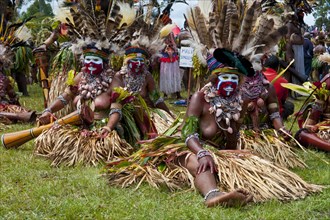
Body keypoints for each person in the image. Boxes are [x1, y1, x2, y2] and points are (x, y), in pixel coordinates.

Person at [295, 73, 330, 152]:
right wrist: (310, 127)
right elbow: (318, 106)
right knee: (303, 135)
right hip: (326, 127)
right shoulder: (328, 81)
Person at [262, 55, 294, 120]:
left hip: (259, 111)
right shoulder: (283, 81)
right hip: (274, 113)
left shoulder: (255, 78)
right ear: (278, 67)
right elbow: (283, 101)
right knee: (289, 106)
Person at [159, 33, 183, 99]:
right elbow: (159, 49)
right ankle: (165, 94)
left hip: (173, 61)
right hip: (165, 61)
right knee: (166, 76)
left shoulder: (172, 35)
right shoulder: (161, 36)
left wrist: (172, 47)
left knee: (175, 76)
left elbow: (176, 48)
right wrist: (165, 47)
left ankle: (177, 93)